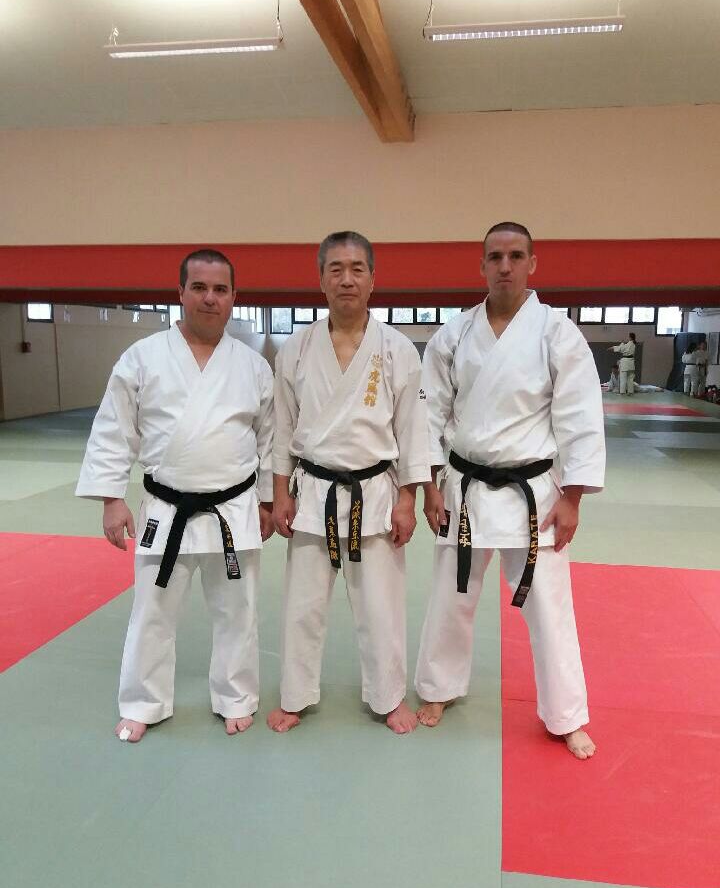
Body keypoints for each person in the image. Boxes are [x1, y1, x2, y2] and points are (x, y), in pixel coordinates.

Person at [414, 222, 605, 760]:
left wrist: (573, 497)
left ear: (532, 263)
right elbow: (429, 413)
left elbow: (580, 415)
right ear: (481, 265)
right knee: (451, 597)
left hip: (534, 492)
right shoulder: (454, 334)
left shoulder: (557, 332)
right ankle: (439, 687)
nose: (505, 266)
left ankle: (566, 714)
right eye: (495, 256)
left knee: (549, 606)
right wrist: (428, 483)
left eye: (516, 256)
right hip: (465, 487)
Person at [76, 249, 274, 742]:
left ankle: (235, 697)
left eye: (221, 289)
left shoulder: (252, 366)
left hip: (234, 509)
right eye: (199, 287)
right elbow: (114, 428)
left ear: (234, 297)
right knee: (152, 613)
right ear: (180, 292)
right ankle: (143, 703)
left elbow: (272, 440)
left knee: (238, 613)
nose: (210, 298)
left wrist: (269, 499)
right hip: (166, 509)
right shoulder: (142, 358)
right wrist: (111, 497)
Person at [267, 231, 430, 736]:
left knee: (381, 609)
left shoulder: (398, 350)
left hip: (375, 495)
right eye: (335, 269)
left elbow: (412, 431)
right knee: (302, 607)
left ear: (373, 280)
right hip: (312, 493)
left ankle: (388, 697)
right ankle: (295, 696)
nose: (346, 279)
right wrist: (279, 494)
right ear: (321, 280)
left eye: (357, 269)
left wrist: (408, 500)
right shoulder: (296, 348)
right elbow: (282, 428)